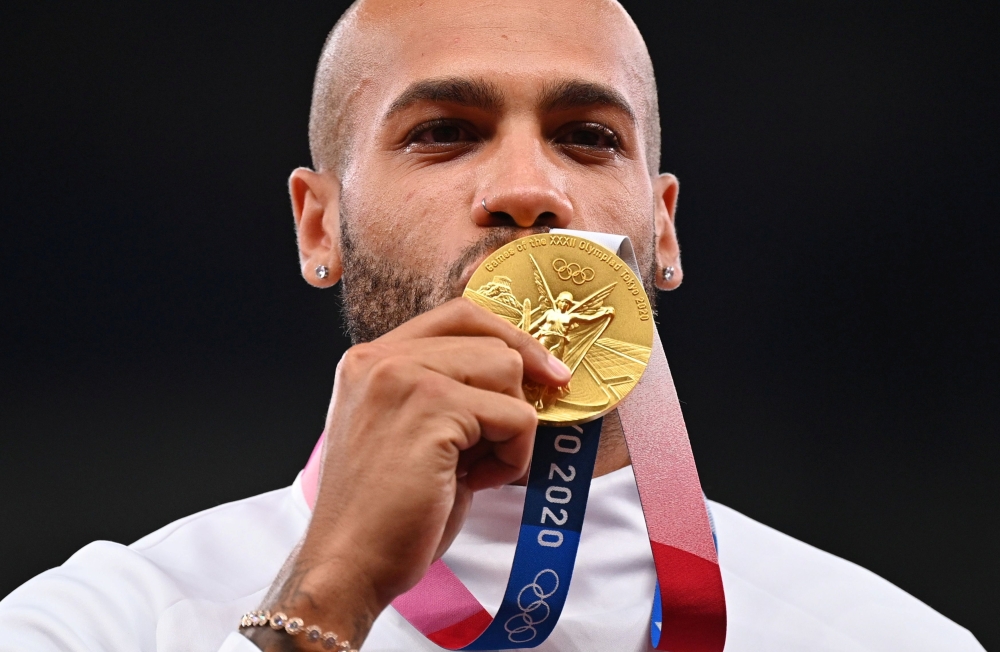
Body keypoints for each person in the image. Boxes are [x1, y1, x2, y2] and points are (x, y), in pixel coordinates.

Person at [0, 1, 986, 651]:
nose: (528, 190)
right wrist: (322, 600)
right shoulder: (106, 620)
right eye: (444, 132)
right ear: (318, 224)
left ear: (664, 229)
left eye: (587, 137)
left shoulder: (882, 638)